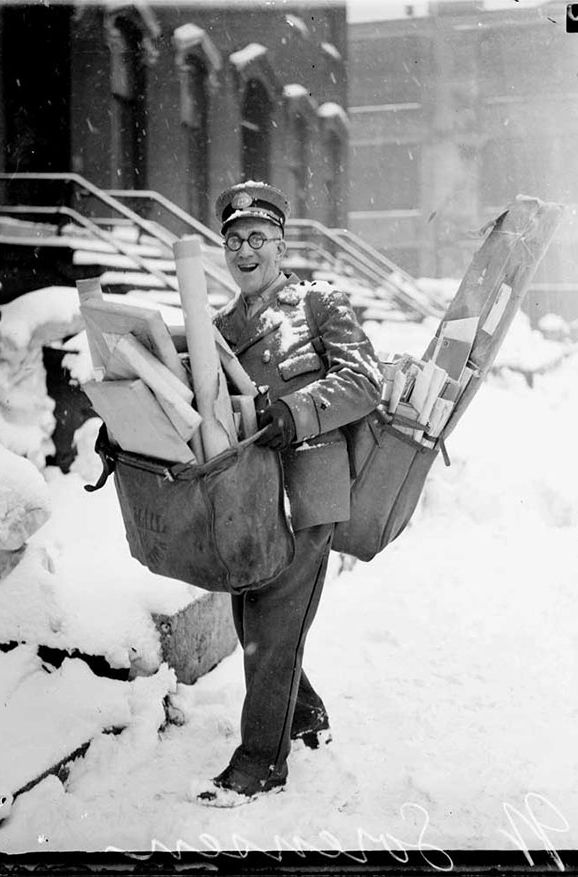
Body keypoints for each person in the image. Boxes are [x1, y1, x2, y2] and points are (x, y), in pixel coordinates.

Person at [193, 181, 383, 807]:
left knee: (272, 628)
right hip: (248, 501)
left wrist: (296, 411)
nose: (245, 251)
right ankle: (304, 716)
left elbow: (364, 380)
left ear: (279, 244)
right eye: (233, 240)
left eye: (257, 238)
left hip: (307, 492)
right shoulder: (217, 327)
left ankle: (259, 763)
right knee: (251, 619)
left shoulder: (318, 303)